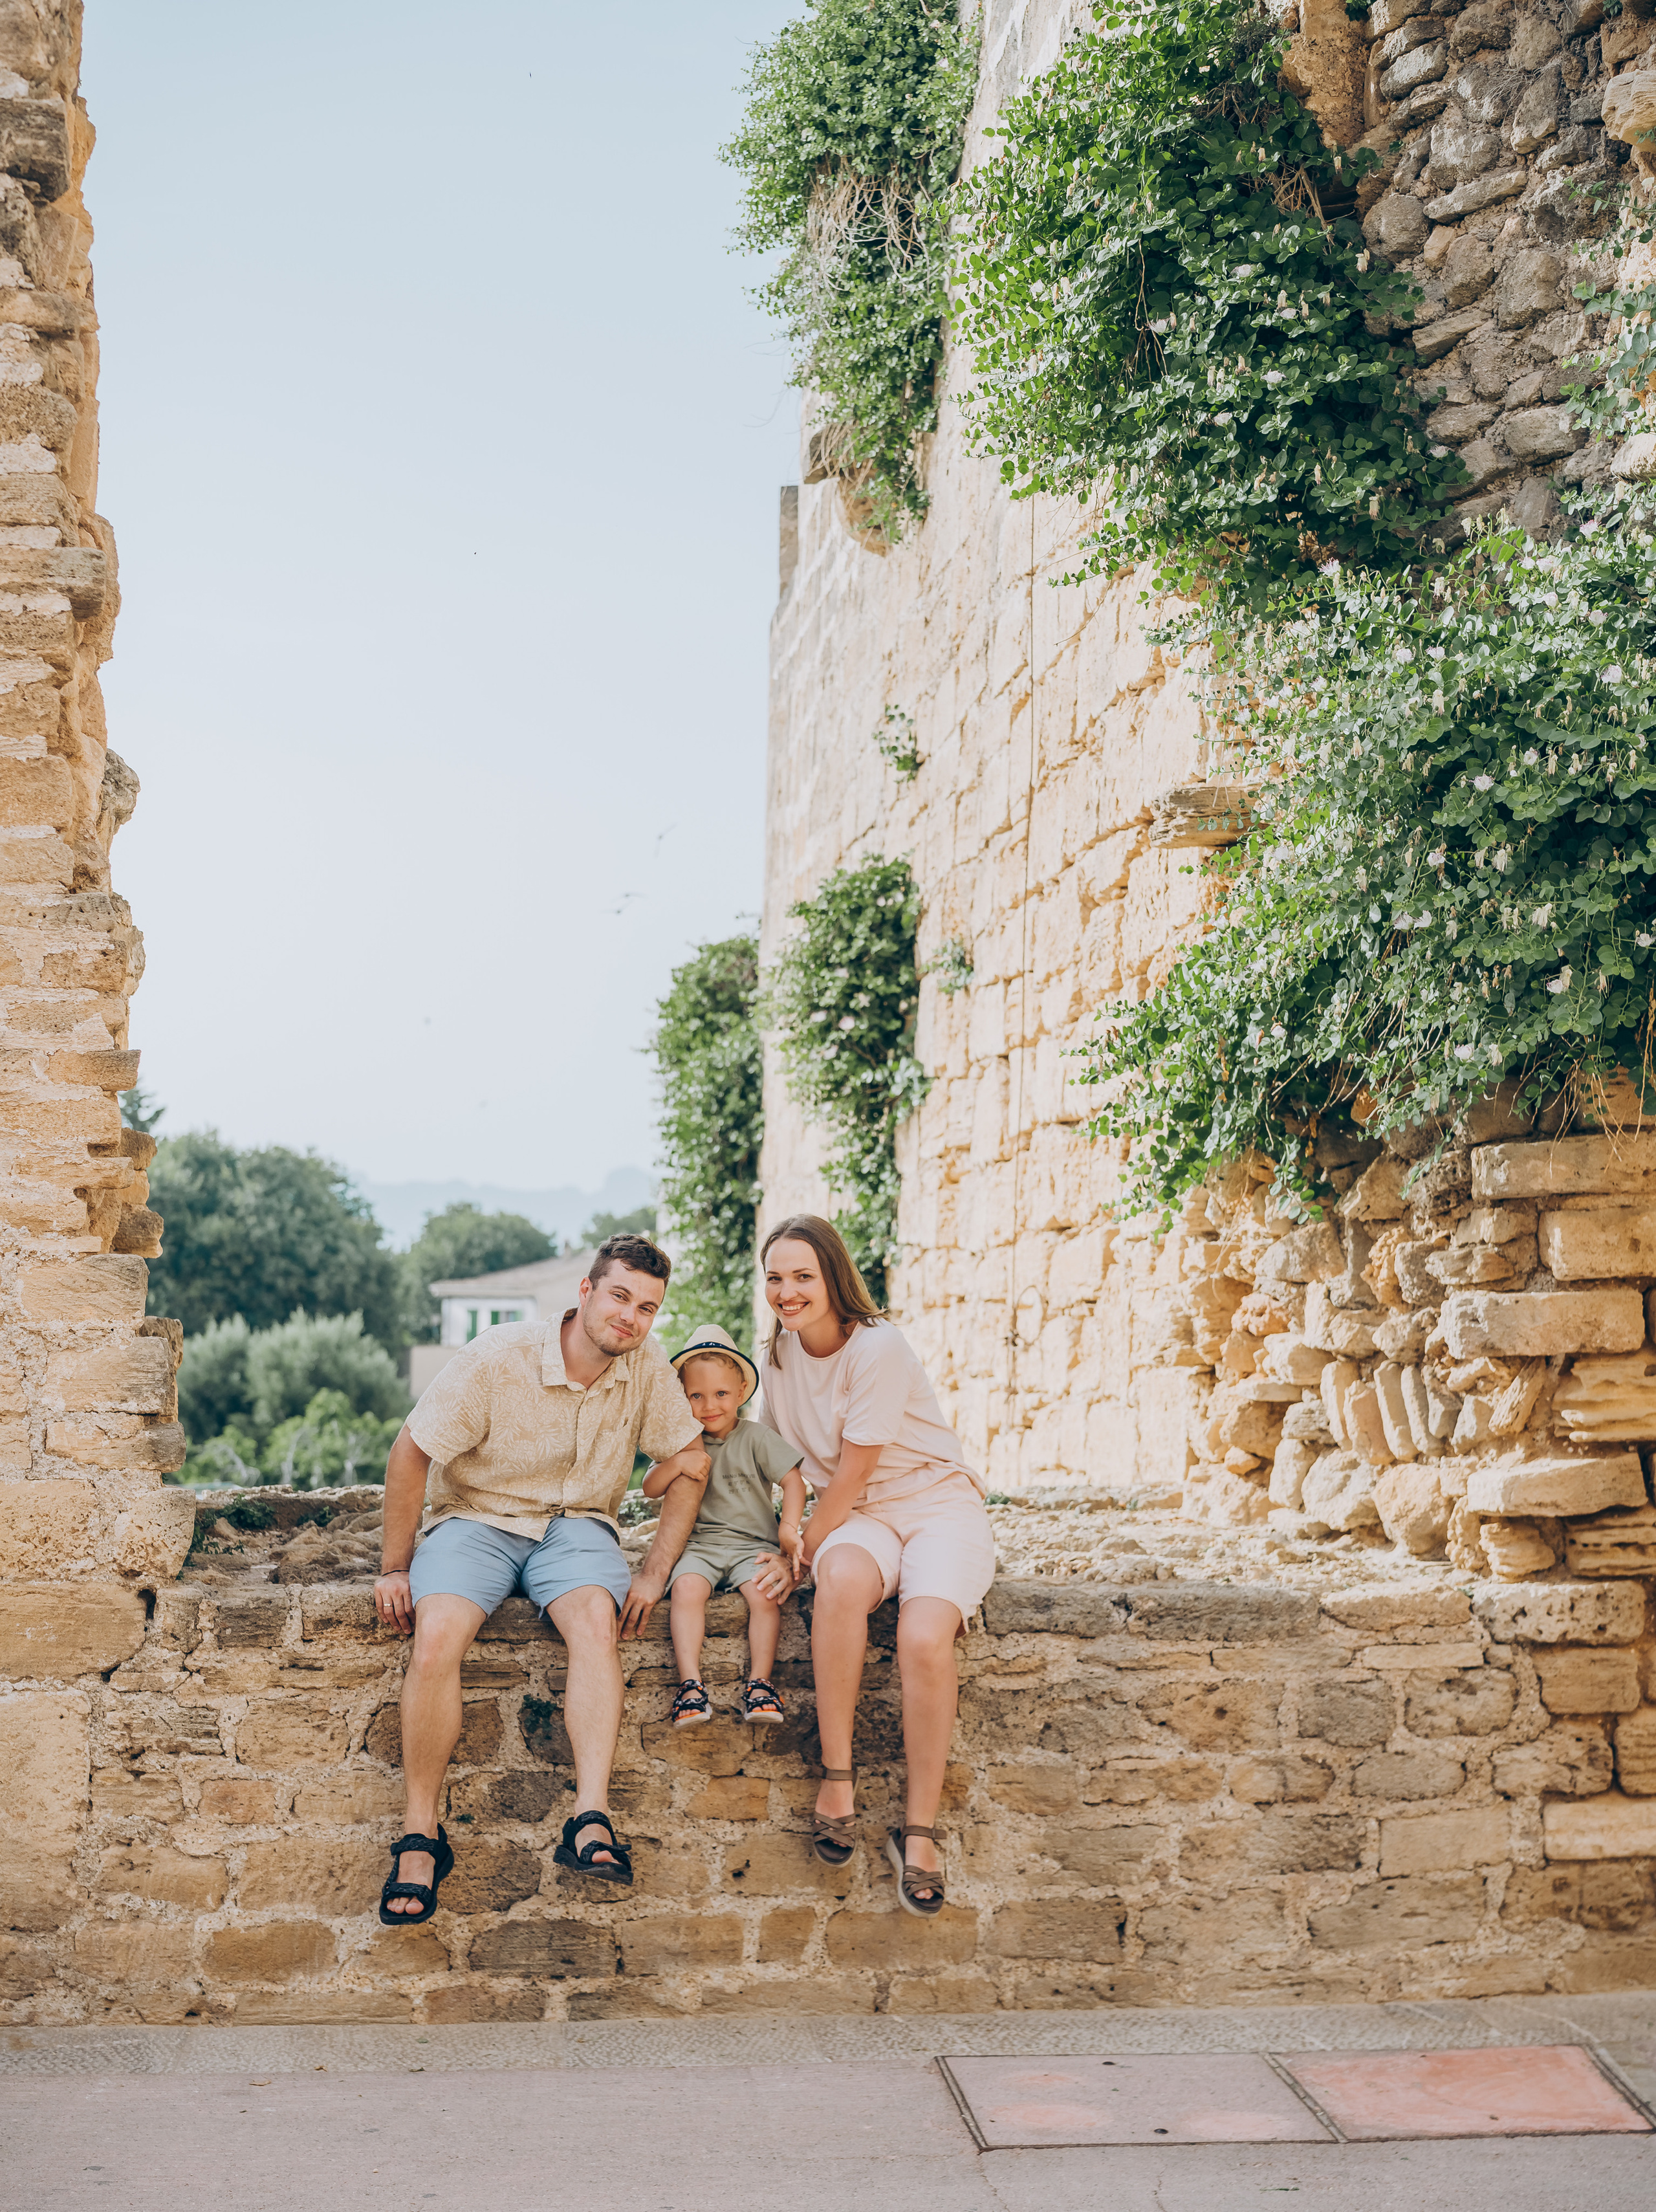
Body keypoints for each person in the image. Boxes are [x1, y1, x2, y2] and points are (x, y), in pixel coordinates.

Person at [372, 1232, 709, 1920]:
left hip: (577, 1524)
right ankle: (419, 1834)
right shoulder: (497, 1356)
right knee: (435, 1637)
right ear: (585, 1291)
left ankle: (589, 1818)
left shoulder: (644, 1365)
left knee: (595, 1624)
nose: (631, 1316)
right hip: (478, 1517)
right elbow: (411, 1451)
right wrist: (394, 1564)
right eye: (620, 1296)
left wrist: (653, 1572)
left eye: (647, 1307)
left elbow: (691, 1462)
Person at [754, 1215, 995, 1918]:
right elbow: (780, 1463)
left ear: (833, 1276)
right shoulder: (775, 1354)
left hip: (932, 1502)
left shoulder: (877, 1346)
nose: (788, 1291)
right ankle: (837, 1781)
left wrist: (796, 1547)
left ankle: (917, 1830)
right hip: (856, 1517)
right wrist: (777, 1539)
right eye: (775, 1277)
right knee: (843, 1584)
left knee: (923, 1636)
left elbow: (854, 1469)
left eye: (803, 1275)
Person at [646, 1323, 807, 1728]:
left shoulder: (756, 1438)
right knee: (686, 1590)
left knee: (763, 1596)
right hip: (699, 1546)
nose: (709, 1405)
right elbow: (650, 1487)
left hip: (753, 1545)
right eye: (696, 1396)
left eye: (720, 1394)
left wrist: (789, 1527)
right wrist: (677, 1464)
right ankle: (690, 1686)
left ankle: (760, 1684)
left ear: (740, 1393)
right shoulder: (683, 1443)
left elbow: (793, 1480)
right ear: (683, 1400)